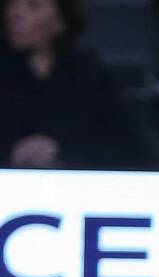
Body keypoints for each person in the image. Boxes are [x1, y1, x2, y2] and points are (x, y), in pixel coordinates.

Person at [0, 0, 150, 168]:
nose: (14, 12)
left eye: (33, 5)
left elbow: (130, 149)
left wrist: (63, 153)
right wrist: (10, 152)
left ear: (60, 21)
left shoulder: (89, 75)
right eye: (11, 3)